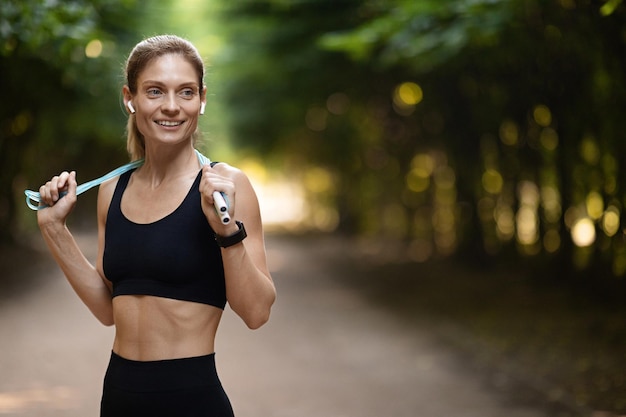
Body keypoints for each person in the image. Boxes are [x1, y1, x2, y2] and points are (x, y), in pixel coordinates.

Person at [35, 34, 276, 417]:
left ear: (202, 100)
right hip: (117, 396)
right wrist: (53, 229)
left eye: (185, 92)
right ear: (129, 98)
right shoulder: (111, 191)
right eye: (155, 91)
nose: (171, 106)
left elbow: (256, 313)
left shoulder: (226, 187)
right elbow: (107, 308)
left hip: (192, 400)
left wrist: (227, 233)